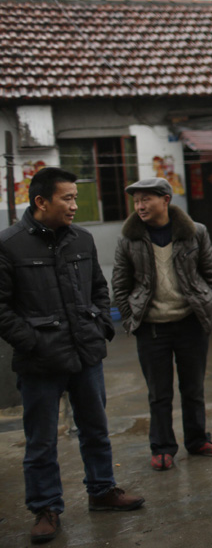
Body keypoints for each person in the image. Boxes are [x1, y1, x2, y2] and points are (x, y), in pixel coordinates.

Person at [0, 167, 145, 544]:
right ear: (41, 201)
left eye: (76, 198)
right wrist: (31, 341)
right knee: (42, 441)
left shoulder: (82, 239)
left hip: (86, 354)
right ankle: (46, 508)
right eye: (67, 198)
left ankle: (101, 490)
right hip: (39, 363)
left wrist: (100, 327)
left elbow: (99, 289)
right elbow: (1, 308)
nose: (74, 206)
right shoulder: (10, 245)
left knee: (96, 429)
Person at [111, 178, 212, 472]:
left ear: (165, 199)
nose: (140, 206)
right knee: (159, 393)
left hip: (190, 323)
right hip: (152, 328)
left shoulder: (194, 232)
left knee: (193, 387)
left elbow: (211, 272)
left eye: (146, 199)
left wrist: (210, 305)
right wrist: (131, 316)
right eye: (136, 201)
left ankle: (198, 439)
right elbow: (120, 285)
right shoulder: (130, 239)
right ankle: (162, 448)